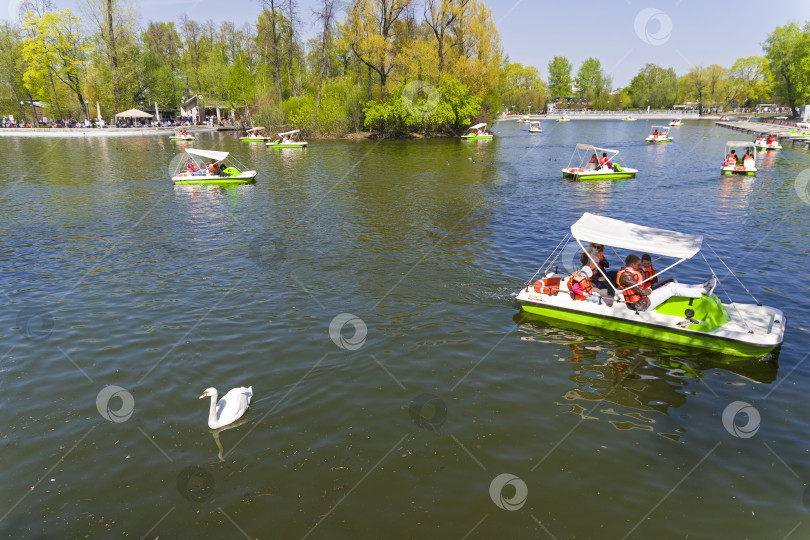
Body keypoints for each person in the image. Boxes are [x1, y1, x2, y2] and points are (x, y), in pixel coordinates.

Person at [617, 254, 713, 311]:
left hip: (643, 299)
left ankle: (701, 286)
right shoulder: (626, 276)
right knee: (671, 289)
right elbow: (641, 291)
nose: (639, 266)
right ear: (632, 264)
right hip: (640, 304)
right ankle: (703, 291)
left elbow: (640, 289)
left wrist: (649, 289)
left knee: (670, 283)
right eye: (638, 265)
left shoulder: (630, 273)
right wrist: (650, 290)